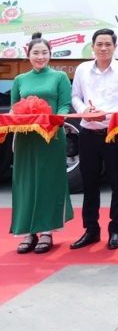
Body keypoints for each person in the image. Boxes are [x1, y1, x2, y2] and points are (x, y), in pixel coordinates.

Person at [70, 28, 118, 250]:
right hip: (88, 132)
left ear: (115, 47)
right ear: (93, 46)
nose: (104, 48)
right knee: (90, 184)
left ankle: (115, 230)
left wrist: (105, 113)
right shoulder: (82, 70)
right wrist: (84, 110)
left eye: (108, 44)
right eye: (100, 44)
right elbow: (75, 96)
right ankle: (91, 230)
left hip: (114, 132)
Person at [10, 33, 73, 254]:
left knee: (48, 182)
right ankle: (28, 232)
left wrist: (56, 121)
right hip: (26, 139)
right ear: (28, 55)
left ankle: (47, 230)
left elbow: (65, 105)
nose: (40, 57)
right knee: (26, 183)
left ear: (50, 55)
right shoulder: (20, 80)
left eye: (44, 53)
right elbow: (14, 109)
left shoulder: (59, 78)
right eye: (36, 53)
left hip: (51, 137)